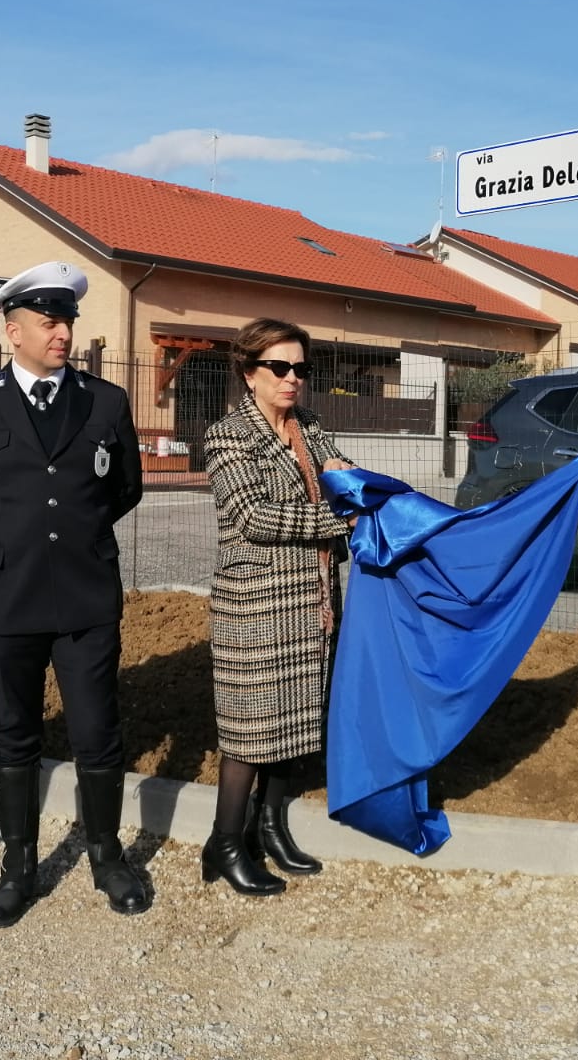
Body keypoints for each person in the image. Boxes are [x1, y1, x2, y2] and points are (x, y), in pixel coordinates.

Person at [0, 261, 147, 926]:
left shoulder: (105, 401)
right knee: (14, 731)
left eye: (67, 322)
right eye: (49, 322)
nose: (62, 334)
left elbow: (125, 486)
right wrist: (9, 542)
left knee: (97, 731)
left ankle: (107, 857)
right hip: (5, 594)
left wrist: (74, 536)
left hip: (85, 593)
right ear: (13, 330)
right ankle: (19, 866)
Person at [201, 318, 353, 896]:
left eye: (300, 368)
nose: (292, 378)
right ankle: (224, 843)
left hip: (312, 600)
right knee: (250, 732)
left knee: (296, 722)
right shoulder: (227, 436)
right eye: (279, 367)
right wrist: (339, 516)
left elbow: (346, 478)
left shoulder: (309, 427)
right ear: (249, 372)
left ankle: (270, 828)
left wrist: (353, 483)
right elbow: (254, 517)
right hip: (256, 606)